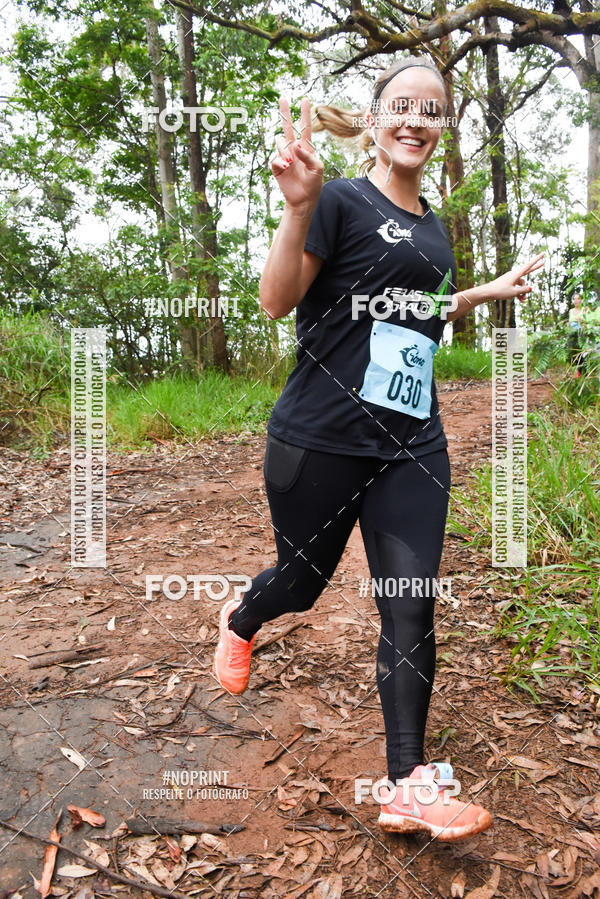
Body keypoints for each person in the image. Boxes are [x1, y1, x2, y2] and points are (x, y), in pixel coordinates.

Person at [213, 57, 544, 841]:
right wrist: (296, 208)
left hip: (412, 443)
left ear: (442, 125)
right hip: (321, 437)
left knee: (410, 599)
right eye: (402, 106)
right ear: (376, 117)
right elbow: (274, 300)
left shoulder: (434, 227)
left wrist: (483, 292)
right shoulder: (336, 200)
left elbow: (418, 308)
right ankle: (242, 616)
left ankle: (407, 783)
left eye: (431, 110)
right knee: (300, 583)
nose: (415, 121)